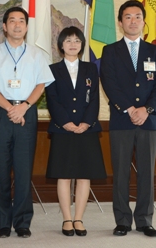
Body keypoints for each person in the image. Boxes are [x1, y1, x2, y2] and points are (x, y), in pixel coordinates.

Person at [0, 6, 54, 238]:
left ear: (27, 27)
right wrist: (11, 108)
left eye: (22, 21)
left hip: (26, 112)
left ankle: (22, 222)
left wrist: (24, 107)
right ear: (4, 26)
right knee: (1, 169)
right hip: (2, 112)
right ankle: (2, 222)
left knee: (23, 170)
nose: (17, 25)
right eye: (12, 21)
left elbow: (41, 84)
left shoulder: (37, 54)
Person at [100, 0, 156, 237]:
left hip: (149, 120)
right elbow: (109, 83)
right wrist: (129, 109)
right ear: (120, 22)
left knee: (146, 172)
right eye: (128, 17)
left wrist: (146, 110)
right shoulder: (109, 51)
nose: (133, 21)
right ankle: (122, 221)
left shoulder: (154, 51)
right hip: (121, 119)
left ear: (144, 22)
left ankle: (145, 220)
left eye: (137, 16)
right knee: (120, 172)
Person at [46, 26, 106, 237]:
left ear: (82, 45)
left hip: (86, 129)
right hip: (63, 129)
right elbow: (52, 99)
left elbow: (95, 100)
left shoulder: (91, 69)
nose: (73, 44)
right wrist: (65, 123)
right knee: (64, 175)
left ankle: (78, 218)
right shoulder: (52, 70)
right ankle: (66, 219)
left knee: (83, 175)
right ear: (61, 45)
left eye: (77, 41)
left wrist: (86, 123)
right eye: (68, 40)